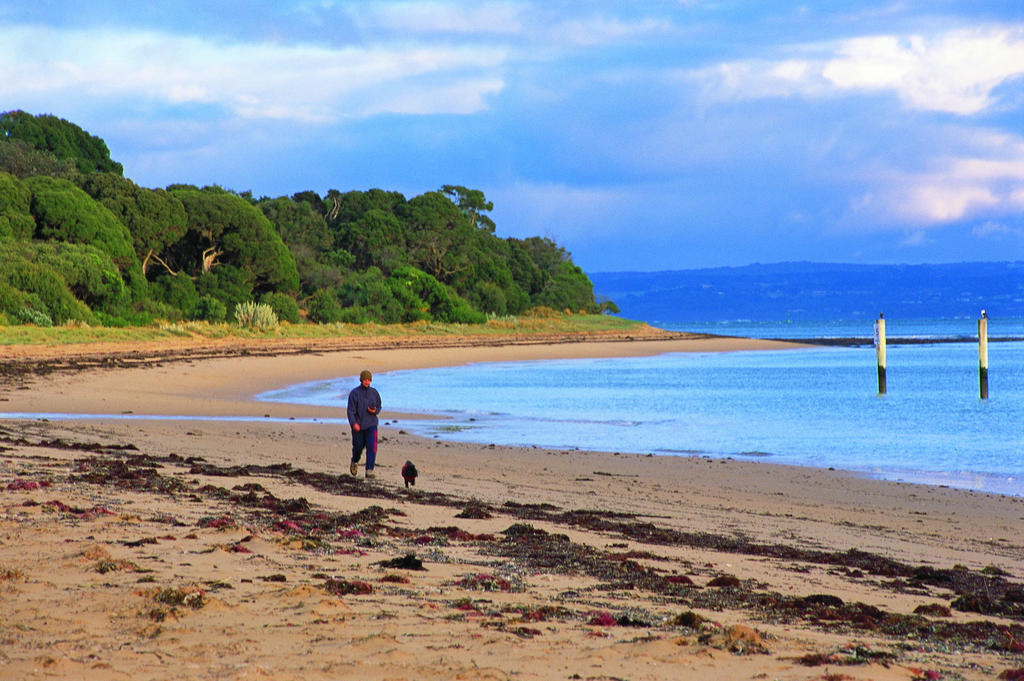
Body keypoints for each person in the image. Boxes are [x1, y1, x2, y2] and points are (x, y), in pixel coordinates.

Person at [347, 369, 382, 478]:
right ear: (361, 380)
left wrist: (375, 411)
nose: (367, 382)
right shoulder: (354, 393)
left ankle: (369, 470)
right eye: (365, 380)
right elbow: (350, 411)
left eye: (369, 380)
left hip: (371, 424)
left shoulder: (374, 393)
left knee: (372, 447)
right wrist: (354, 424)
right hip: (358, 426)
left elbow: (379, 406)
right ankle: (354, 461)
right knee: (358, 448)